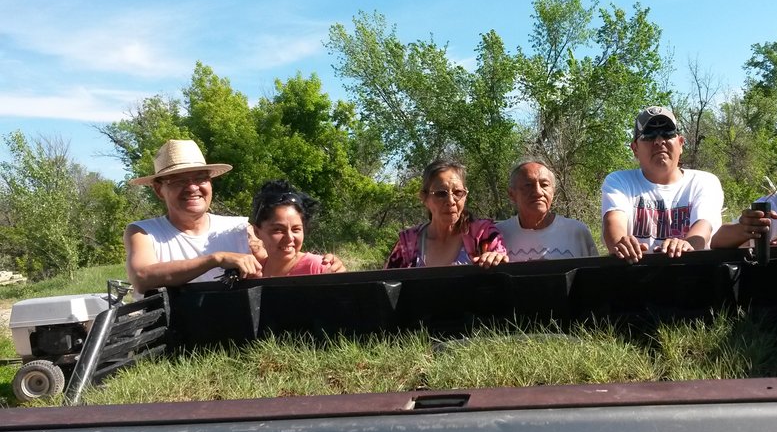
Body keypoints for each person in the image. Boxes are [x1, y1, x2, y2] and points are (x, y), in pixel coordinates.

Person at [124, 139, 341, 294]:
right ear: (159, 190)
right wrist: (216, 259)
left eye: (200, 178)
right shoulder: (143, 232)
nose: (192, 187)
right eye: (179, 181)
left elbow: (280, 261)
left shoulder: (238, 228)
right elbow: (142, 278)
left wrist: (325, 266)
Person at [601, 106, 724, 264]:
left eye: (667, 133)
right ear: (635, 149)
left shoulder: (705, 182)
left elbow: (704, 226)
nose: (659, 141)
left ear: (680, 143)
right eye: (649, 135)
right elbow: (614, 223)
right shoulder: (619, 181)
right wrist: (620, 243)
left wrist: (687, 245)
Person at [385, 160, 508, 268]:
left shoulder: (483, 234)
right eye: (440, 193)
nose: (450, 201)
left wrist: (496, 258)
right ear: (424, 198)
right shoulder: (407, 244)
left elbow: (501, 265)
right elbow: (387, 286)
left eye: (458, 192)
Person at [496, 160, 598, 261]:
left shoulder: (576, 232)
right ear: (511, 194)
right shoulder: (496, 235)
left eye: (544, 185)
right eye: (528, 185)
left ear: (553, 191)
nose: (538, 192)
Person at [250, 180, 343, 277]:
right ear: (257, 231)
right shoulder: (254, 273)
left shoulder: (318, 269)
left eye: (296, 229)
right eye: (278, 230)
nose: (289, 237)